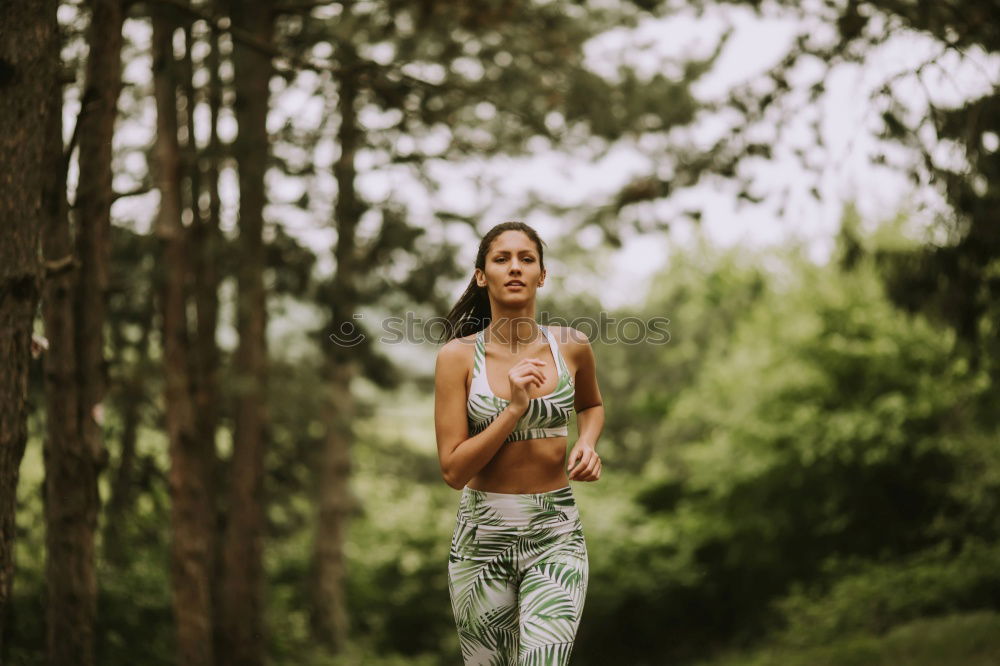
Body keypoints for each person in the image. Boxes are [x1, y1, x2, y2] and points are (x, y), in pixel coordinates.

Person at [434, 221, 605, 665]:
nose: (515, 268)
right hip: (482, 537)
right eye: (501, 258)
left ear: (541, 275)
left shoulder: (571, 346)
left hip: (556, 533)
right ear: (481, 275)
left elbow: (591, 405)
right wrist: (513, 409)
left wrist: (587, 442)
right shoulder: (456, 357)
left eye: (526, 259)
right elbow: (454, 472)